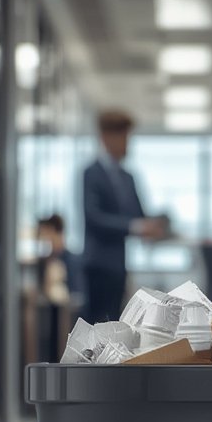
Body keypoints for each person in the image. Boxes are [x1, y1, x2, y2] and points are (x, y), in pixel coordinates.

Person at [82, 109, 165, 322]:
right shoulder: (92, 174)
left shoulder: (128, 177)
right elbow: (94, 217)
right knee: (97, 323)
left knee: (116, 321)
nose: (128, 143)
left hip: (120, 264)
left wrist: (154, 226)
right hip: (98, 265)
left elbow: (138, 215)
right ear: (106, 137)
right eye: (123, 137)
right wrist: (136, 227)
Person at [37, 214, 82, 305]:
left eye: (44, 234)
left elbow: (77, 297)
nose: (42, 239)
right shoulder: (43, 262)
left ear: (53, 231)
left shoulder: (72, 261)